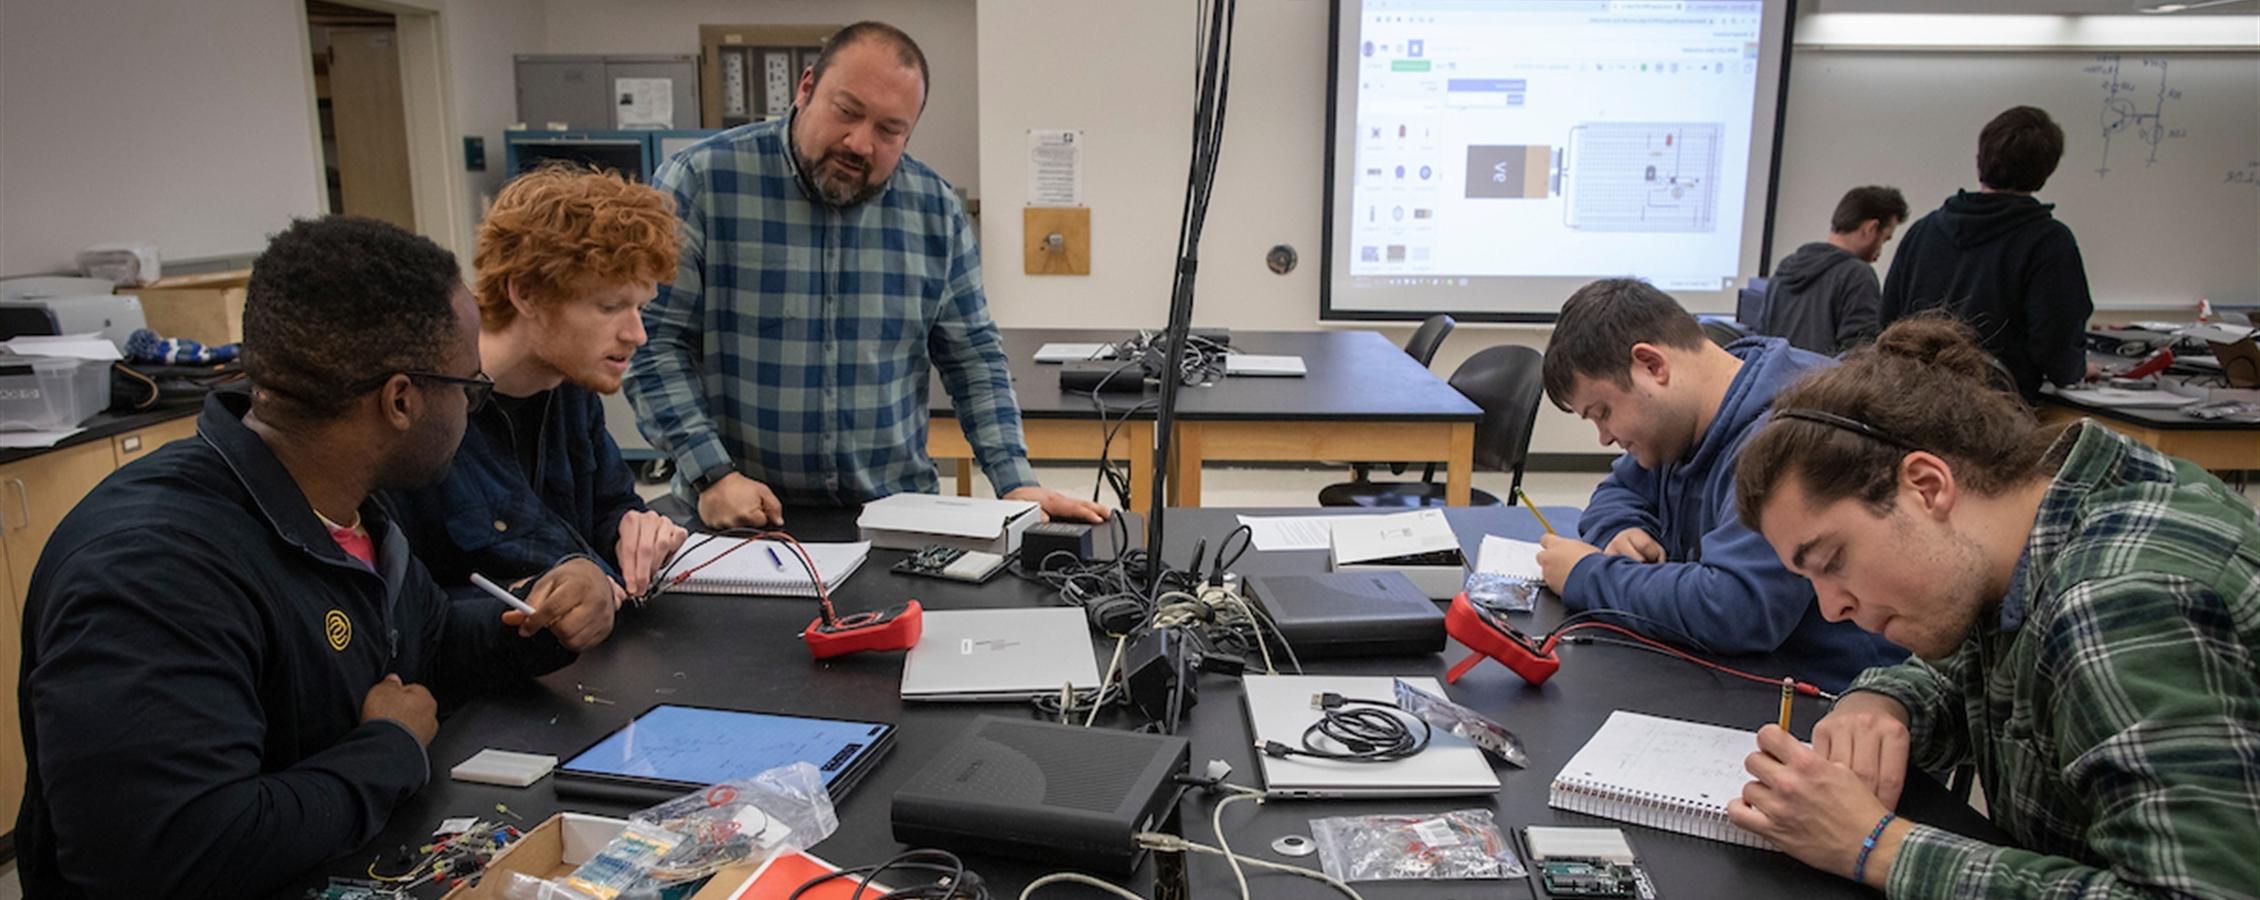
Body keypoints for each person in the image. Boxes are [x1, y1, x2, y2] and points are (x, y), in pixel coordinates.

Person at [13, 216, 616, 899]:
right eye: (468, 389)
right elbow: (164, 854)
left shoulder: (340, 505)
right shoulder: (151, 571)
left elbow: (427, 642)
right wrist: (387, 750)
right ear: (400, 400)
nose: (470, 407)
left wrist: (543, 618)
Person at [1726, 317, 2260, 897]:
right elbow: (1980, 675)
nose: (1831, 608)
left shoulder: (2118, 599)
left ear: (1927, 485)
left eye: (1832, 560)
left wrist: (1874, 847)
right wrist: (1882, 699)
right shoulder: (2030, 528)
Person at [627, 21, 1105, 528]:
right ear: (806, 88)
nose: (859, 143)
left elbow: (974, 358)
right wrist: (711, 473)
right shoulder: (703, 182)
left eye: (888, 130)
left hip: (893, 519)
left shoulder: (936, 211)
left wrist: (1016, 480)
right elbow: (653, 343)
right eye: (847, 112)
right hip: (738, 513)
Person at [1533, 279, 1903, 691]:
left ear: (1652, 366)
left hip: (1824, 698)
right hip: (1739, 675)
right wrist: (1621, 530)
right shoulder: (1686, 420)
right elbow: (1616, 492)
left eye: (1603, 412)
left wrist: (1587, 575)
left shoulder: (1791, 437)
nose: (1604, 436)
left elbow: (1735, 609)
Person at [388, 165, 689, 600]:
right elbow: (401, 604)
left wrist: (632, 528)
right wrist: (535, 599)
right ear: (525, 293)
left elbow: (607, 507)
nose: (636, 335)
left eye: (641, 308)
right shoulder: (425, 414)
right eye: (610, 307)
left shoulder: (566, 380)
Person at [1878, 106, 2094, 401]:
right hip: (1996, 415)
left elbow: (1889, 324)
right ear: (2046, 171)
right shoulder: (2049, 242)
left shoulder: (1923, 230)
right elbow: (2056, 345)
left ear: (1980, 159)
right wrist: (2075, 370)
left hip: (1912, 404)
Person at [1759, 185, 1907, 355]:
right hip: (1822, 380)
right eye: (1885, 239)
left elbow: (1762, 339)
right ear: (1870, 228)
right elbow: (1858, 355)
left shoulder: (1786, 267)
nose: (1879, 253)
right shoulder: (1857, 275)